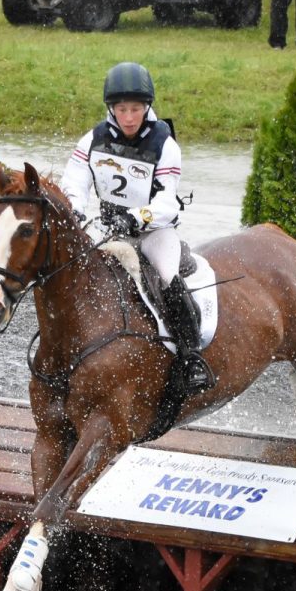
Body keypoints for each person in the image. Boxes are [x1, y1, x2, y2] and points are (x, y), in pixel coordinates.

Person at [60, 61, 216, 393]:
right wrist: (74, 208)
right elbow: (75, 181)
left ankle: (190, 359)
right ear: (111, 109)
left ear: (146, 107)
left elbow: (167, 201)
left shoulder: (164, 144)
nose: (129, 117)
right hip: (110, 230)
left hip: (154, 232)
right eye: (122, 109)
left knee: (169, 278)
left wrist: (135, 217)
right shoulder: (93, 139)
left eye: (135, 109)